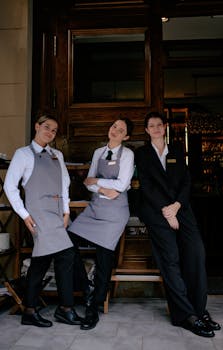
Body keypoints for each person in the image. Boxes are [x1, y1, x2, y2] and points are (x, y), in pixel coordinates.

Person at [135, 111, 221, 337]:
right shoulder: (142, 154)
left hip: (181, 209)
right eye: (151, 125)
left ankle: (199, 310)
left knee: (196, 253)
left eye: (159, 125)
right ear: (146, 130)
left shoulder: (176, 150)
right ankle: (185, 315)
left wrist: (176, 206)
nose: (155, 128)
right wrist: (166, 210)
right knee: (170, 259)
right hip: (156, 211)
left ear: (164, 128)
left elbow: (186, 181)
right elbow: (146, 186)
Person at [4, 114, 84, 327]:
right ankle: (64, 309)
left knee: (42, 261)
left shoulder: (56, 154)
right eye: (47, 127)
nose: (50, 132)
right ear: (37, 126)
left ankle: (31, 310)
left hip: (57, 215)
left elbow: (64, 185)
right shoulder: (23, 154)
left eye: (54, 130)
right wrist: (24, 215)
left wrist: (66, 212)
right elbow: (9, 187)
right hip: (38, 214)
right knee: (66, 255)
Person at [68, 117, 134, 330]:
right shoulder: (98, 152)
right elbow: (88, 183)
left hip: (115, 213)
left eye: (121, 129)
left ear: (126, 137)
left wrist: (97, 182)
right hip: (95, 209)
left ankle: (93, 307)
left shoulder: (128, 154)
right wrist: (105, 189)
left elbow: (123, 184)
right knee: (67, 241)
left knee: (104, 256)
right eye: (114, 126)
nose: (115, 130)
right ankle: (87, 288)